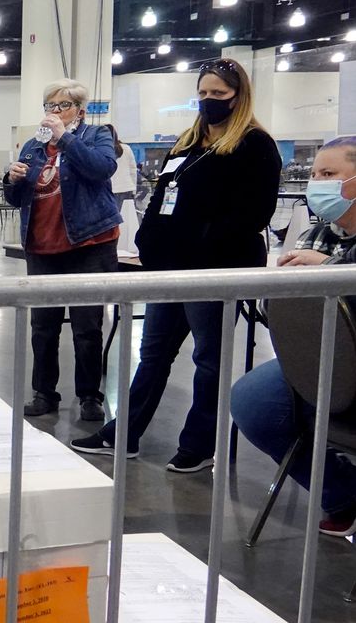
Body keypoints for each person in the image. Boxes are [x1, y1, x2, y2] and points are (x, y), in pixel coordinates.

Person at [73, 58, 281, 473]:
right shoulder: (187, 143)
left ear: (238, 96)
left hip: (214, 269)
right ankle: (124, 434)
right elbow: (162, 196)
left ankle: (200, 443)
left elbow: (254, 214)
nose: (209, 101)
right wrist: (148, 240)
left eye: (218, 94)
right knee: (152, 353)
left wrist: (201, 241)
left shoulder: (255, 145)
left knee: (207, 360)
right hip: (169, 268)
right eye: (203, 93)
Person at [233, 136, 356, 535]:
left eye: (329, 174)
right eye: (316, 173)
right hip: (320, 360)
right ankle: (343, 493)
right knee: (254, 403)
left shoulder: (325, 248)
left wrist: (332, 267)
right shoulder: (319, 233)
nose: (317, 183)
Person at [5, 79, 121, 421]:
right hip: (42, 246)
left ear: (80, 111)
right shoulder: (32, 145)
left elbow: (102, 168)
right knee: (43, 326)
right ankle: (44, 392)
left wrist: (65, 138)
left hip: (89, 244)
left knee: (87, 327)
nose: (54, 112)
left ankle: (89, 396)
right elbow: (16, 199)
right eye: (49, 106)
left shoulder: (96, 136)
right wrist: (11, 179)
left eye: (62, 106)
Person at [106, 124, 138, 206]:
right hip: (127, 188)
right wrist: (134, 189)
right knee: (127, 217)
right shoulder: (126, 148)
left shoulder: (102, 150)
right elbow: (133, 170)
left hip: (110, 190)